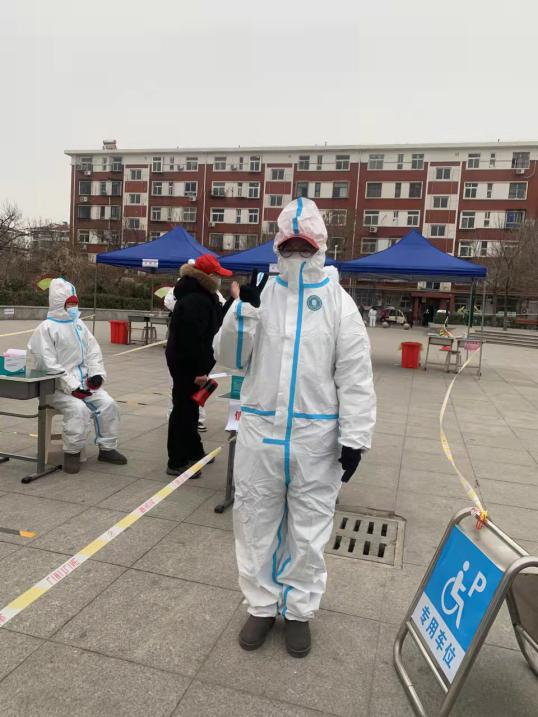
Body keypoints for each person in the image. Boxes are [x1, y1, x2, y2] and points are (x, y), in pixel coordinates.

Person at [214, 198, 376, 657]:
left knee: (309, 531)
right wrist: (241, 315)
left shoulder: (340, 304)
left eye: (306, 246)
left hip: (316, 440)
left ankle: (300, 610)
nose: (298, 254)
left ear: (320, 245)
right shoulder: (261, 296)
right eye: (291, 246)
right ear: (279, 246)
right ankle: (262, 606)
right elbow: (230, 359)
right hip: (261, 434)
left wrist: (355, 438)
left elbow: (355, 375)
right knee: (255, 523)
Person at [28, 278, 127, 474]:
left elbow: (93, 352)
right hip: (55, 388)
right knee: (78, 409)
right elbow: (48, 364)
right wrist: (72, 387)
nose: (73, 307)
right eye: (70, 303)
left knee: (108, 404)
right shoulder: (46, 329)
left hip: (83, 385)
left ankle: (107, 448)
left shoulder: (79, 325)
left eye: (75, 303)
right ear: (59, 303)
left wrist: (96, 374)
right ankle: (71, 453)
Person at [165, 254, 232, 476]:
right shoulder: (195, 300)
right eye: (217, 275)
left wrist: (232, 301)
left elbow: (217, 321)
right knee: (183, 410)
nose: (219, 280)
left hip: (190, 362)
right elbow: (194, 340)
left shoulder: (203, 295)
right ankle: (177, 460)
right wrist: (200, 371)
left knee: (192, 408)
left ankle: (194, 451)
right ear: (208, 276)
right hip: (187, 364)